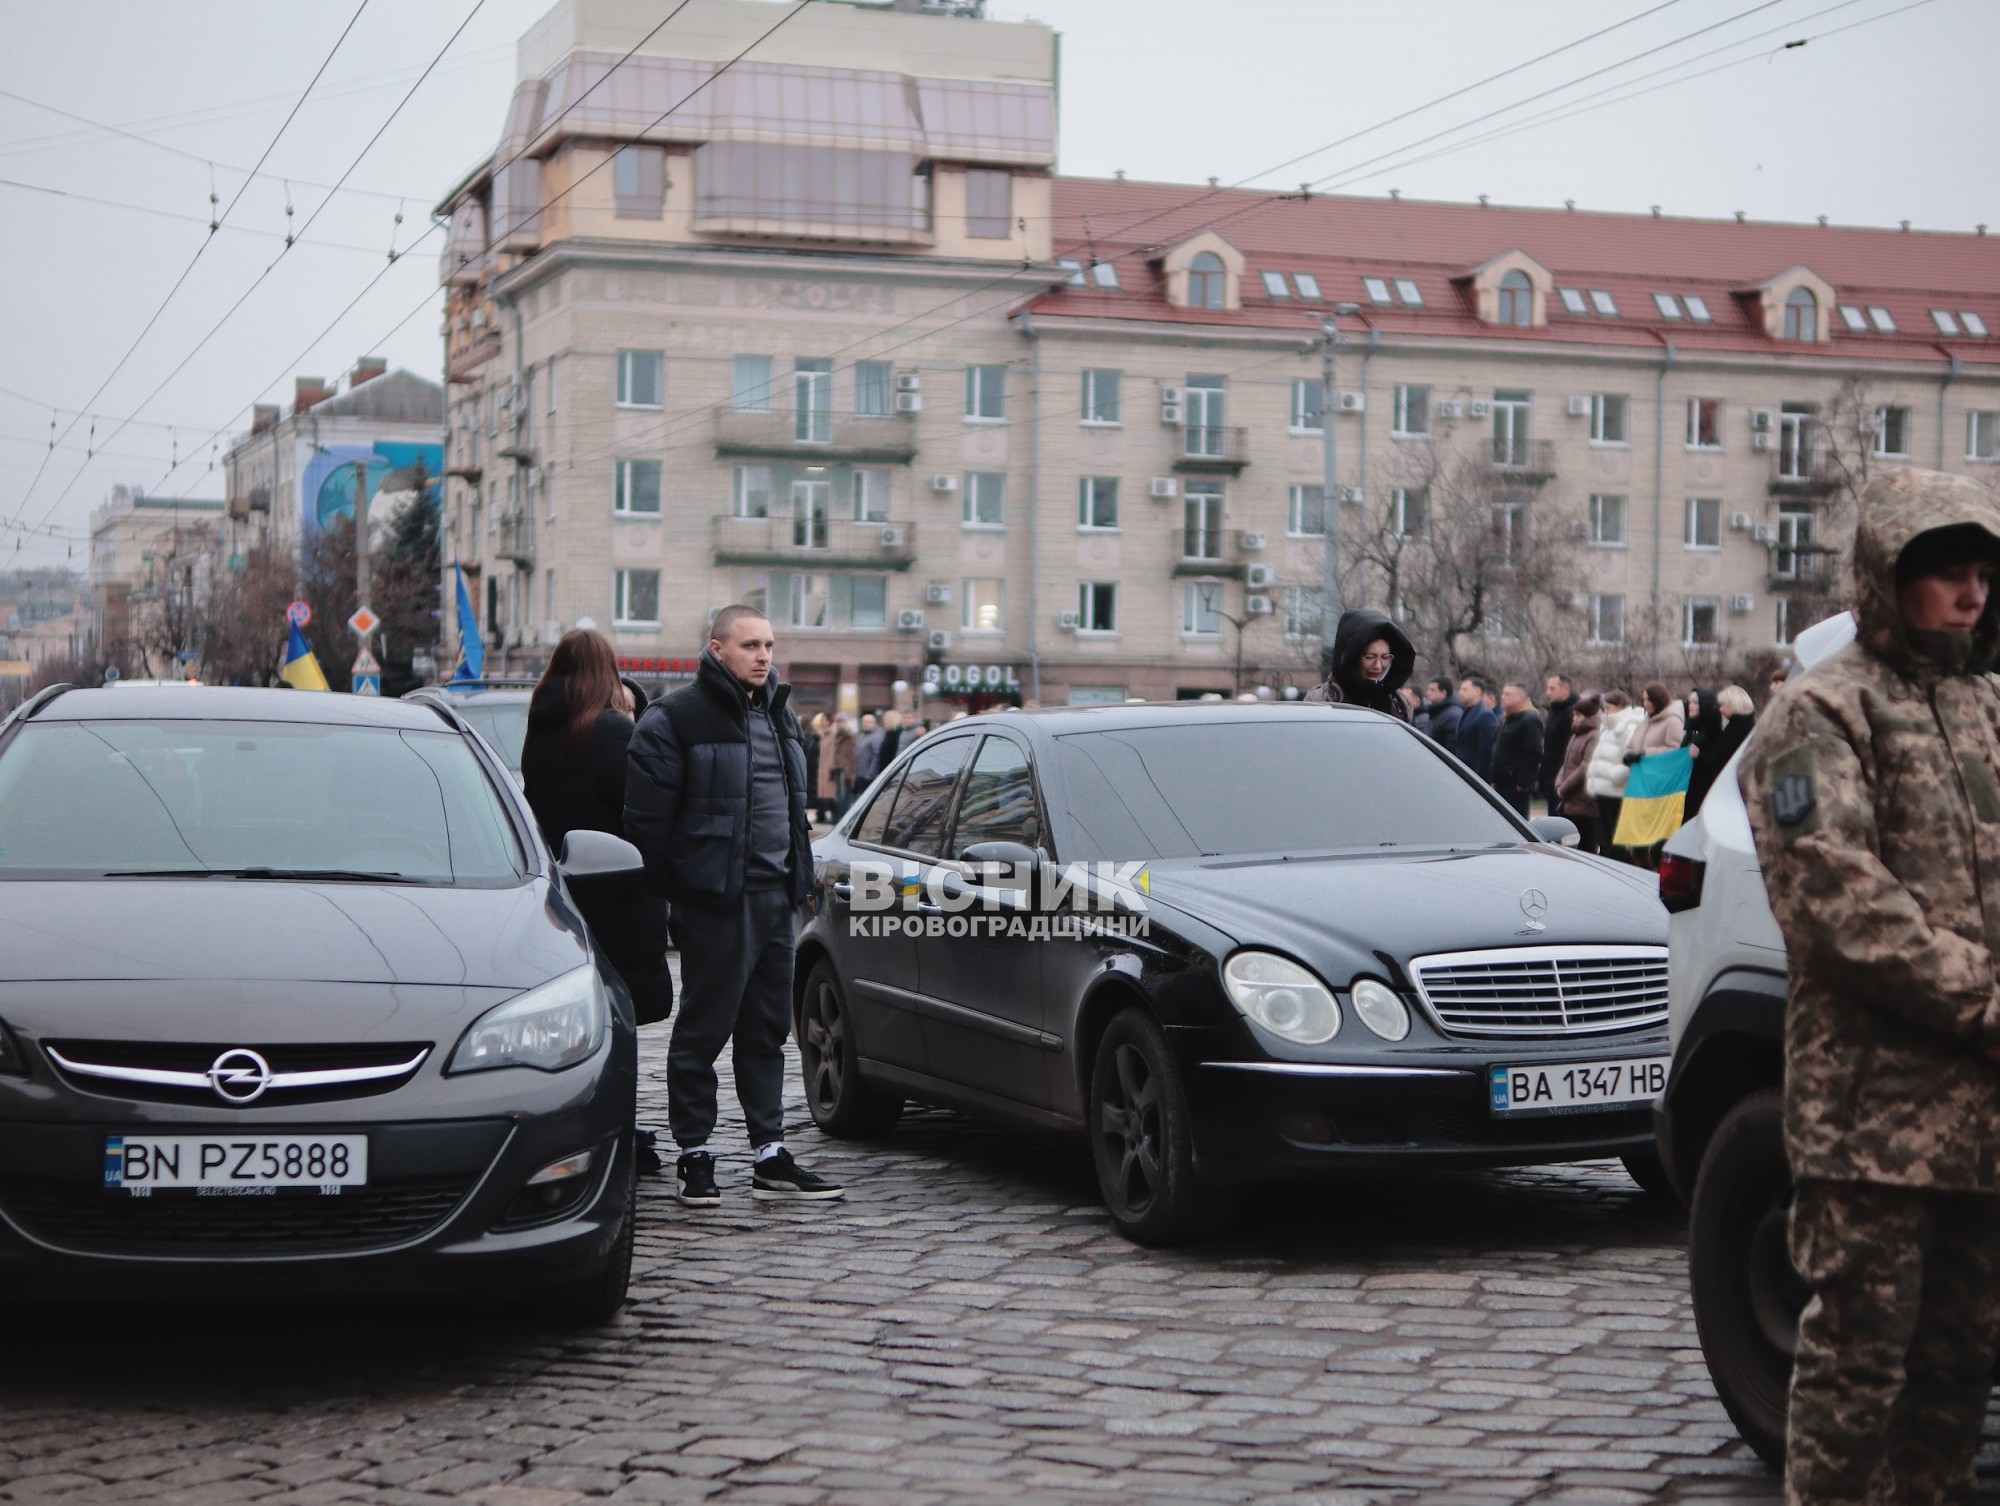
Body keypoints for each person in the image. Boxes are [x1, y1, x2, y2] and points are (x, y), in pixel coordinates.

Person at [1738, 470, 2000, 1506]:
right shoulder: (1817, 712)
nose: (1971, 595)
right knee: (1856, 1372)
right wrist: (1985, 1000)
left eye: (1983, 575)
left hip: (1980, 1123)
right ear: (1888, 578)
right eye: (1948, 574)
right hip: (1872, 1121)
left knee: (1955, 1374)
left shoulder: (1984, 707)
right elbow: (1834, 899)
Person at [624, 605, 843, 1207]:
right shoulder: (675, 718)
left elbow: (792, 810)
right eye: (750, 645)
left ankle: (769, 1153)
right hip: (715, 903)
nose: (764, 656)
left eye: (769, 645)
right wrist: (685, 895)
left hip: (778, 897)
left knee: (767, 1030)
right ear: (717, 649)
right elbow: (646, 826)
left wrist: (799, 879)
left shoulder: (781, 715)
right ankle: (694, 1152)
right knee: (703, 1030)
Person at [521, 630, 673, 1172]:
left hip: (563, 889)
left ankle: (585, 1120)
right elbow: (643, 803)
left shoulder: (542, 727)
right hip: (617, 889)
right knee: (619, 1015)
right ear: (606, 670)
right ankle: (618, 1129)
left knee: (579, 1016)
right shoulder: (608, 730)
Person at [1304, 607, 1415, 718]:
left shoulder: (1398, 704)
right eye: (1370, 657)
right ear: (1351, 658)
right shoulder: (1321, 700)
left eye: (1385, 657)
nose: (1378, 666)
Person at [1587, 689, 1644, 858]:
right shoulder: (1608, 726)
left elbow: (1631, 758)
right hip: (1604, 788)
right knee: (1605, 835)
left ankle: (1618, 862)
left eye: (1609, 708)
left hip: (1617, 790)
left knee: (1616, 836)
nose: (1605, 712)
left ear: (1619, 706)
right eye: (1604, 708)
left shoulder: (1629, 726)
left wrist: (1615, 776)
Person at [1685, 684, 1755, 819]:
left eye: (1723, 705)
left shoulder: (1736, 730)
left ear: (1734, 705)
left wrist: (1700, 755)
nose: (1721, 709)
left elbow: (1720, 760)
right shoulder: (1743, 725)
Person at [1552, 692, 1603, 853]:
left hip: (1584, 802)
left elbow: (1585, 766)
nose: (1574, 718)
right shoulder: (1576, 735)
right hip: (1570, 801)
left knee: (1586, 844)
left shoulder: (1594, 736)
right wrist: (1559, 784)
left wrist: (1565, 788)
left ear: (1587, 717)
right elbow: (1566, 763)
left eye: (1578, 715)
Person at [1488, 682, 1545, 817]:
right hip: (1502, 783)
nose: (1503, 697)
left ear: (1519, 698)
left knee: (1514, 821)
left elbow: (1534, 752)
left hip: (1514, 786)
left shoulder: (1529, 719)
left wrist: (1523, 783)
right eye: (1503, 693)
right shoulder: (1508, 718)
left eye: (1508, 694)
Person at [1538, 673, 1578, 810]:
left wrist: (1562, 781)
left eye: (1552, 688)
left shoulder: (1573, 713)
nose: (1547, 693)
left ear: (1565, 689)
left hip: (1562, 781)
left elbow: (1569, 752)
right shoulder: (1555, 711)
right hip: (1551, 778)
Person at [1452, 676, 1499, 775]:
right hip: (1461, 771)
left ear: (1477, 691)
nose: (1460, 692)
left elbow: (1486, 751)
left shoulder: (1485, 715)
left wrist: (1479, 777)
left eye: (1465, 689)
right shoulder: (1465, 712)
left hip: (1473, 775)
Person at [817, 713, 856, 822]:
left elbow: (852, 755)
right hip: (837, 767)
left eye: (842, 722)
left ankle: (842, 818)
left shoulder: (850, 735)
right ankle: (838, 817)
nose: (840, 724)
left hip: (845, 768)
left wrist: (850, 771)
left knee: (844, 795)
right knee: (839, 794)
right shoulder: (837, 735)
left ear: (846, 723)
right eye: (838, 722)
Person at [1423, 676, 1463, 751]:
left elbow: (1452, 749)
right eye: (1428, 689)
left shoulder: (1453, 715)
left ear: (1444, 692)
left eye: (1432, 690)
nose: (1428, 693)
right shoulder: (1437, 711)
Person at [853, 712, 885, 790]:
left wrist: (871, 773)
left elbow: (876, 756)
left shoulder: (876, 736)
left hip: (868, 776)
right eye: (863, 722)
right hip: (860, 774)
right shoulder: (862, 735)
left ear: (874, 723)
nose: (865, 724)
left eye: (867, 722)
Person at [803, 711, 824, 821]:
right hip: (810, 769)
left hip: (815, 769)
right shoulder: (811, 737)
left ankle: (821, 813)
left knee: (817, 792)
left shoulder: (816, 738)